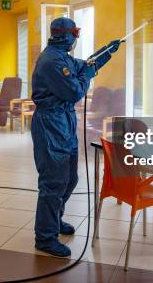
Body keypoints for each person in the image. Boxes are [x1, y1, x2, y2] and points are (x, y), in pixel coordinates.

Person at [31, 17, 120, 257]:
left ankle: (55, 220)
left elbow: (84, 66)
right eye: (75, 33)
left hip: (65, 123)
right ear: (66, 35)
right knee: (53, 182)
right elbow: (74, 91)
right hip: (51, 124)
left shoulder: (62, 56)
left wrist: (106, 53)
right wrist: (88, 75)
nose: (76, 39)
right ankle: (45, 237)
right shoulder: (51, 61)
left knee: (70, 178)